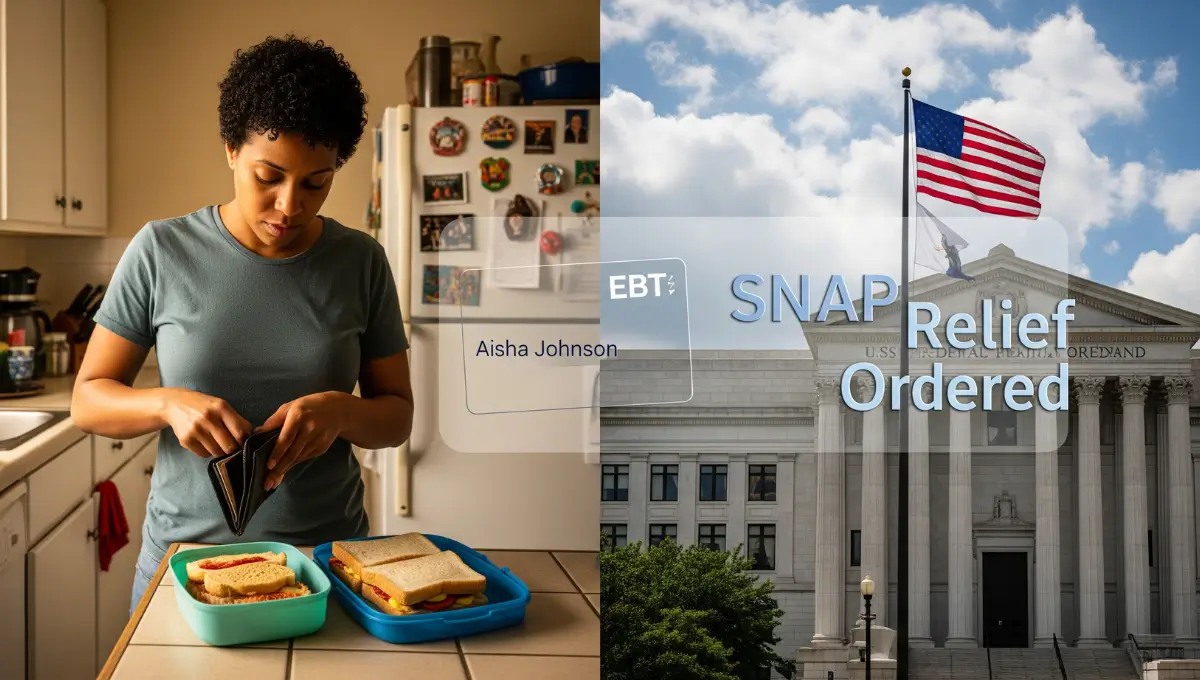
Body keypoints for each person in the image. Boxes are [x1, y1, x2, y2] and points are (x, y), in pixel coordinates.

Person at [69, 35, 414, 615]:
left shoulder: (361, 262)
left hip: (327, 562)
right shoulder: (161, 250)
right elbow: (87, 401)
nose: (288, 206)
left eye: (315, 183)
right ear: (231, 149)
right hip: (186, 565)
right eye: (268, 176)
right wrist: (166, 404)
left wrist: (341, 411)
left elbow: (397, 416)